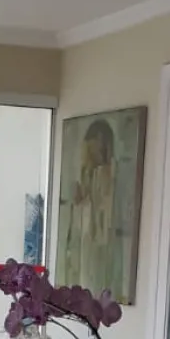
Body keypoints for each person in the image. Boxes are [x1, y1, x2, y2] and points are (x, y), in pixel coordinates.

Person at [66, 117, 119, 297]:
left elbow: (102, 218)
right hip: (87, 247)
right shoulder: (87, 175)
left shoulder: (107, 175)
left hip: (99, 248)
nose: (87, 154)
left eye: (91, 147)